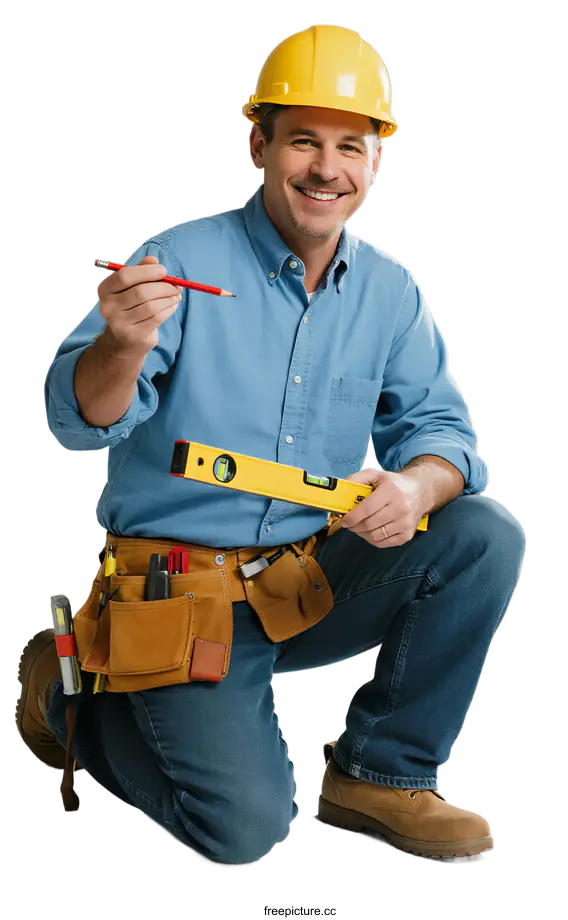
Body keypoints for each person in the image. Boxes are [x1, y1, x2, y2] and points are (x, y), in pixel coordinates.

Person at [22, 24, 526, 867]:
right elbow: (77, 423)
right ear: (256, 143)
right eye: (303, 141)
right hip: (176, 599)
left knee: (481, 533)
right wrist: (122, 343)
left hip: (305, 581)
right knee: (244, 834)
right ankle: (70, 699)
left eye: (350, 146)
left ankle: (379, 775)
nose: (327, 168)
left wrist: (417, 488)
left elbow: (444, 436)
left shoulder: (390, 293)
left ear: (374, 161)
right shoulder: (179, 261)